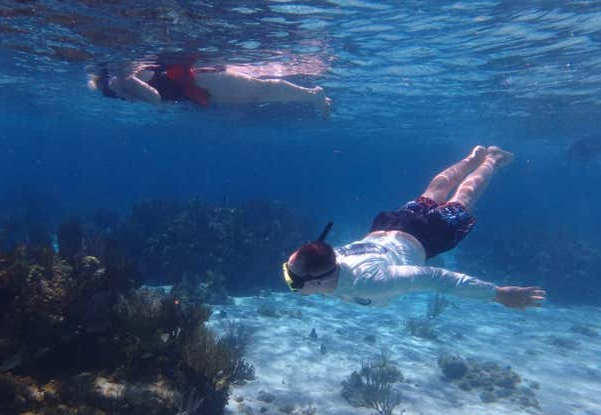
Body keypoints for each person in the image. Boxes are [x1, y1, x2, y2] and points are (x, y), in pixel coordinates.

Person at [282, 146, 546, 309]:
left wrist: (497, 295)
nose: (289, 283)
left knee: (463, 198)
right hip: (388, 226)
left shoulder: (371, 283)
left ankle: (492, 159)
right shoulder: (330, 259)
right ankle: (471, 158)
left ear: (317, 282)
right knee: (433, 192)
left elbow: (437, 278)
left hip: (426, 236)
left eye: (292, 282)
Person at [88, 62, 331, 118]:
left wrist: (155, 106)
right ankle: (310, 97)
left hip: (204, 83)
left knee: (260, 89)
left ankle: (313, 95)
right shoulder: (123, 80)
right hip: (200, 87)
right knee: (259, 92)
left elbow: (155, 97)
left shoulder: (123, 80)